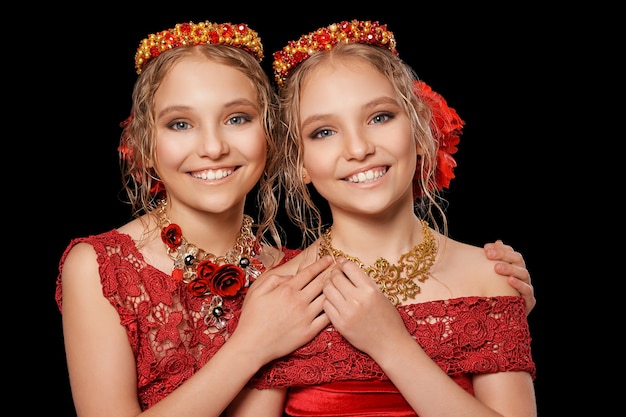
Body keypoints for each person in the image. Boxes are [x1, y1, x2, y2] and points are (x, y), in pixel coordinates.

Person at [55, 20, 534, 417]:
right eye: (181, 123)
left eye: (238, 118)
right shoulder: (286, 285)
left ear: (271, 142)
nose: (213, 146)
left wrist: (494, 314)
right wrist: (253, 345)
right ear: (144, 144)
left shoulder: (282, 273)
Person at [227, 20, 536, 416]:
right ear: (300, 162)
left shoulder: (490, 275)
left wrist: (392, 346)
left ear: (419, 129)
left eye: (379, 117)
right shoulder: (283, 295)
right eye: (324, 132)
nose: (358, 149)